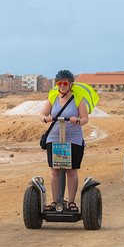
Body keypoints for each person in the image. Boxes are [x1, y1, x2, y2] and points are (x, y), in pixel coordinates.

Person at [39, 69, 97, 212]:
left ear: (70, 84)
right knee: (55, 170)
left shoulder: (78, 99)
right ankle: (55, 201)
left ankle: (71, 202)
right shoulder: (52, 98)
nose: (62, 85)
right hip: (54, 138)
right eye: (59, 83)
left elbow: (85, 119)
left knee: (71, 171)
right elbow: (42, 114)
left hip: (73, 138)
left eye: (65, 83)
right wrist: (45, 118)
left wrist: (78, 120)